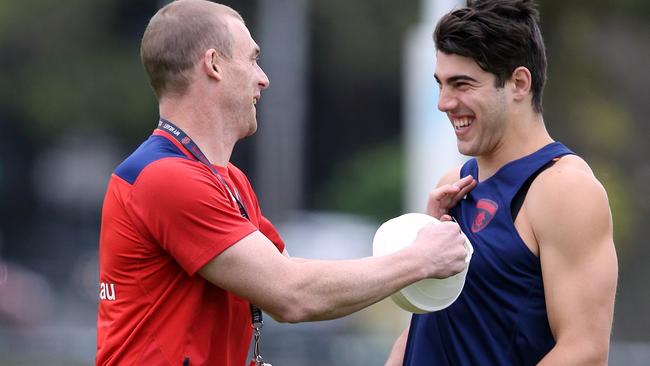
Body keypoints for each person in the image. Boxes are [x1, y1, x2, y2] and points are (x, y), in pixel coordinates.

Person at [95, 1, 470, 365]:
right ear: (213, 65)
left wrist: (416, 241)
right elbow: (292, 294)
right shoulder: (166, 176)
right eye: (252, 58)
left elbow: (299, 277)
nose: (264, 77)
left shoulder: (225, 178)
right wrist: (418, 260)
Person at [385, 0, 618, 365]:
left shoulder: (564, 189)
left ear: (519, 83)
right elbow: (425, 324)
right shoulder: (455, 185)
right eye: (441, 85)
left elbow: (584, 351)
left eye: (461, 84)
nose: (444, 103)